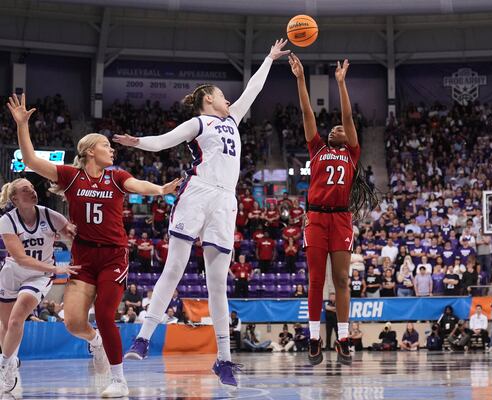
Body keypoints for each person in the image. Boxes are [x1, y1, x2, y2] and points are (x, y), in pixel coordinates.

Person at [117, 39, 290, 387]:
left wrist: (270, 59)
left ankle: (224, 359)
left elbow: (253, 90)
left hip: (226, 201)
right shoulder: (199, 123)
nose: (229, 99)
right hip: (197, 193)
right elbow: (163, 140)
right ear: (208, 98)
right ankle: (144, 336)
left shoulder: (233, 119)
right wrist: (137, 142)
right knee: (175, 266)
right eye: (222, 95)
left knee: (218, 286)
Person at [7, 93, 179, 397]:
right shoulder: (71, 177)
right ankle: (95, 341)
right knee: (72, 322)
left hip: (114, 256)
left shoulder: (116, 177)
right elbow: (31, 160)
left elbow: (139, 185)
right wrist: (22, 125)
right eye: (105, 145)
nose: (111, 150)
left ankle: (119, 380)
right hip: (83, 257)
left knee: (103, 312)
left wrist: (162, 188)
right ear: (89, 151)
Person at [289, 54, 375, 367]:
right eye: (335, 127)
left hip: (341, 217)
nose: (339, 127)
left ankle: (343, 338)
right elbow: (306, 111)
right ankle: (313, 338)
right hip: (315, 217)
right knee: (315, 280)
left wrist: (341, 83)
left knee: (341, 279)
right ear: (327, 137)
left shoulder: (352, 152)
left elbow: (349, 117)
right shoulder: (317, 149)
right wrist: (300, 79)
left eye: (342, 127)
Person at [0, 179, 80, 392]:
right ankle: (12, 363)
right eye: (26, 190)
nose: (32, 191)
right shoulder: (7, 220)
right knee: (6, 325)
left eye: (33, 188)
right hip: (13, 271)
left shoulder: (50, 216)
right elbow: (21, 258)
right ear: (15, 198)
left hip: (40, 275)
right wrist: (57, 269)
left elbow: (75, 236)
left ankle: (3, 365)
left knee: (17, 319)